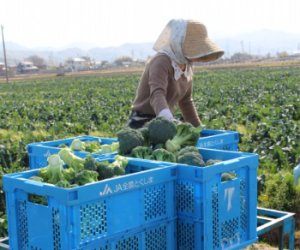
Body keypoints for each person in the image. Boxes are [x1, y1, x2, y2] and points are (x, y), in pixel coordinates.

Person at [127, 19, 224, 129]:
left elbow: (186, 101)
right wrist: (169, 120)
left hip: (164, 120)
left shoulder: (186, 64)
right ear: (178, 42)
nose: (197, 56)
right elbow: (157, 94)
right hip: (142, 121)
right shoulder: (161, 62)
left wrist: (198, 128)